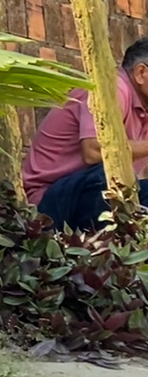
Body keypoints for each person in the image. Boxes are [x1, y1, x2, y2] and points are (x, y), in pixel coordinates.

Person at [22, 37, 148, 231]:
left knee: (126, 186)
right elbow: (94, 151)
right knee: (110, 176)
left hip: (90, 197)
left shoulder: (143, 107)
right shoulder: (111, 87)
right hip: (50, 204)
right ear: (141, 73)